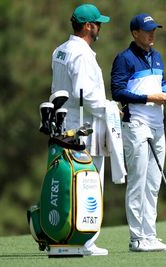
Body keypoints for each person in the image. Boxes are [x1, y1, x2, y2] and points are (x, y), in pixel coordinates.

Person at [110, 13, 166, 252]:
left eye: (155, 30)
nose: (153, 34)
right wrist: (148, 98)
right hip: (136, 125)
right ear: (135, 33)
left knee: (153, 183)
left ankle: (150, 236)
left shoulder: (157, 56)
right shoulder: (124, 58)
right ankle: (136, 239)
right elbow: (118, 92)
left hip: (157, 125)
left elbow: (160, 85)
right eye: (148, 30)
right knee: (138, 181)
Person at [50, 3, 111, 256]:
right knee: (88, 181)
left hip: (63, 122)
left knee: (67, 181)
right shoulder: (83, 54)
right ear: (88, 26)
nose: (100, 28)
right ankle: (85, 241)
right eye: (98, 24)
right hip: (83, 126)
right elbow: (84, 94)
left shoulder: (60, 50)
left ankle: (65, 236)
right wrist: (110, 108)